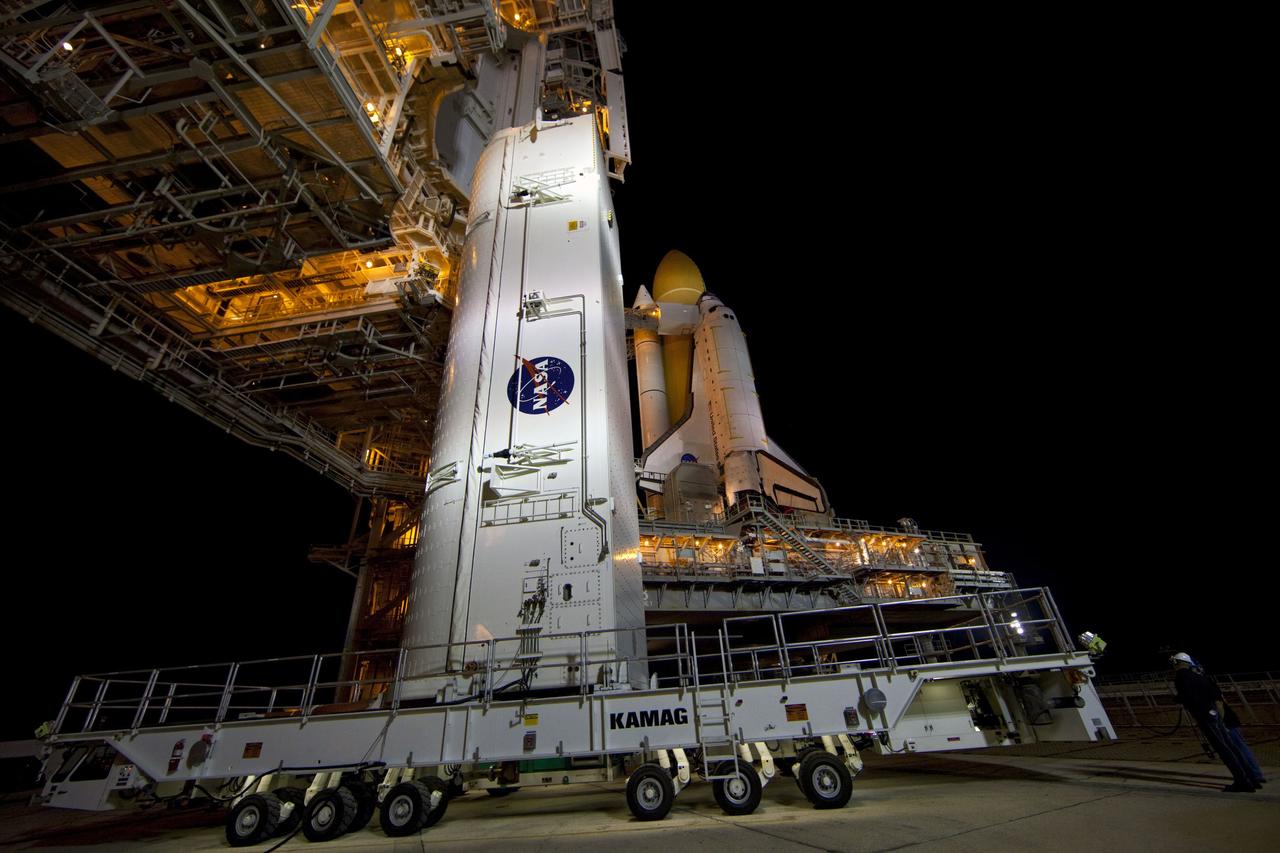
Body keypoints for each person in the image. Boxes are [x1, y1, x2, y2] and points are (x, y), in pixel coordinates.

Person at [1171, 652, 1257, 792]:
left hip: (1204, 715)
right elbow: (1214, 695)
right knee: (1230, 745)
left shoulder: (1181, 676)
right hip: (1214, 714)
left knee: (1223, 749)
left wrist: (1177, 699)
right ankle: (1250, 778)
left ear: (1176, 663)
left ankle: (1242, 781)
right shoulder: (1200, 677)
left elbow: (1186, 696)